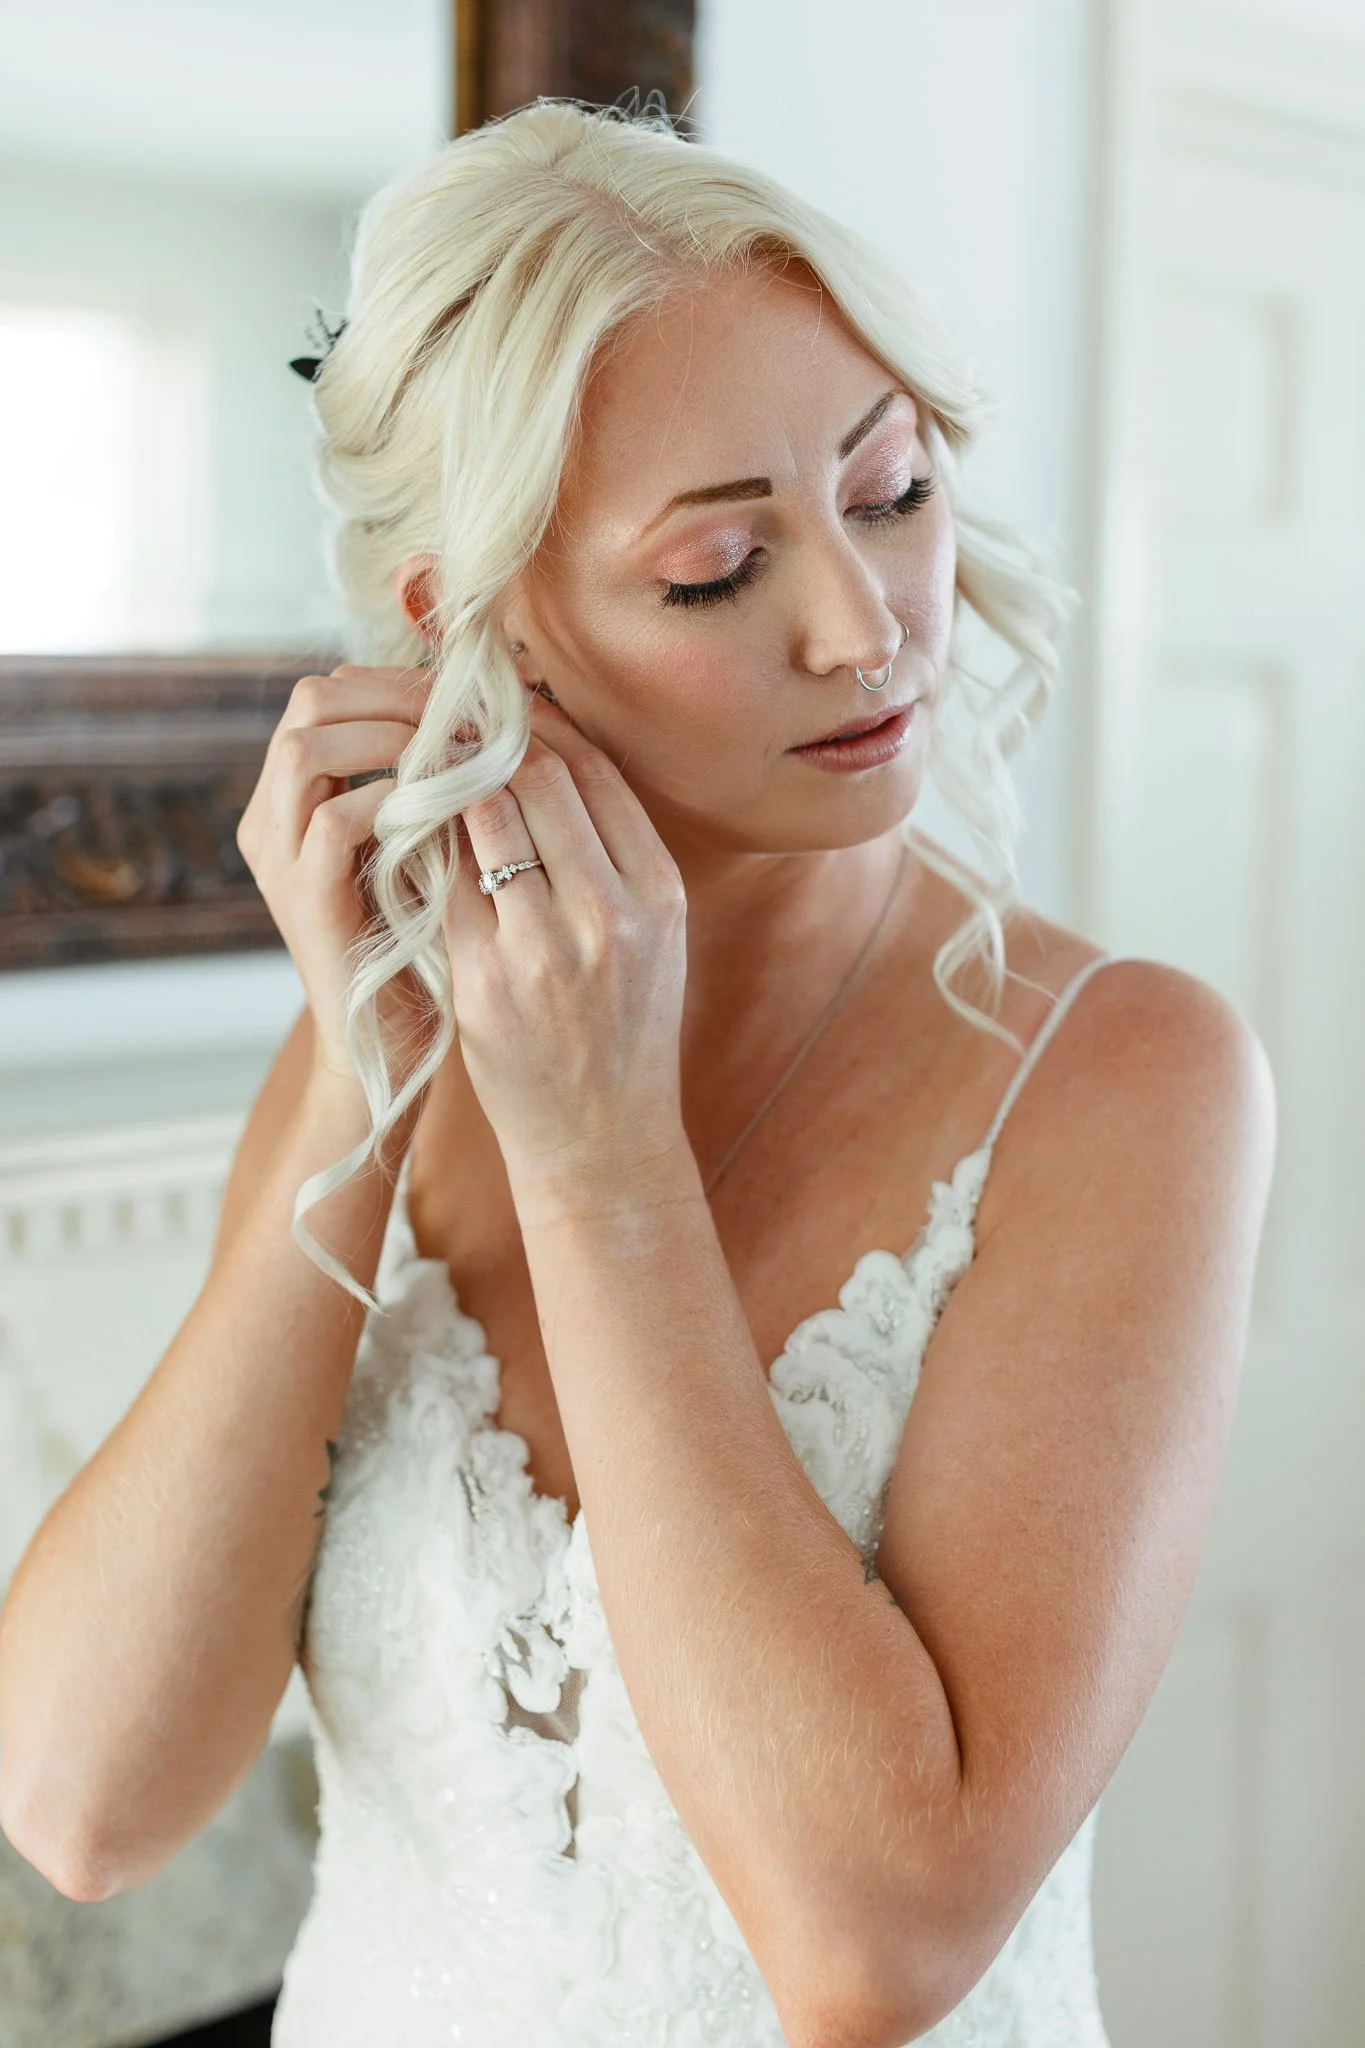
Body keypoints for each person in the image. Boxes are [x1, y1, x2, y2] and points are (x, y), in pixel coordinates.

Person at [0, 102, 1276, 2047]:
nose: (864, 625)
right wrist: (355, 1086)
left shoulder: (1122, 1081)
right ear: (479, 617)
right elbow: (88, 1800)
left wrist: (602, 1166)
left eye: (893, 487)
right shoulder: (385, 1052)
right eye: (716, 568)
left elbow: (867, 1953)